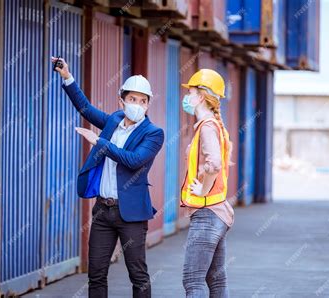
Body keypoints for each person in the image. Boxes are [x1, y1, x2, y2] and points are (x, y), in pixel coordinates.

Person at [51, 56, 165, 298]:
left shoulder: (154, 133)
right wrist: (67, 77)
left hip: (132, 214)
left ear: (148, 104)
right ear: (121, 100)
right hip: (103, 210)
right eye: (132, 99)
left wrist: (100, 143)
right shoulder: (113, 121)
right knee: (96, 274)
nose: (137, 104)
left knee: (138, 275)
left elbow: (133, 160)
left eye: (143, 100)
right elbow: (86, 109)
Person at [180, 69, 235, 297]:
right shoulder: (215, 126)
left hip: (207, 215)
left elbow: (214, 165)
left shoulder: (207, 127)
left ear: (201, 96)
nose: (187, 98)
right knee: (216, 280)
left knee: (193, 280)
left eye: (190, 92)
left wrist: (202, 189)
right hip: (218, 212)